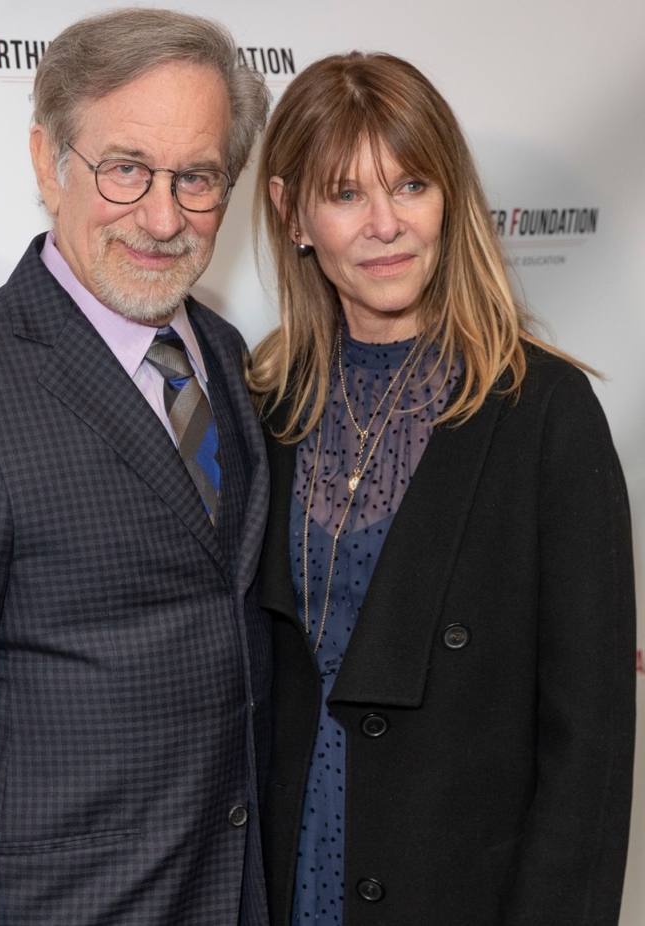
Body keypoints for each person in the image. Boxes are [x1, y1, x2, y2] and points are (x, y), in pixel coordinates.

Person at [0, 9, 272, 926]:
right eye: (125, 169)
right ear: (49, 163)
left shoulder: (234, 361)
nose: (162, 218)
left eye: (196, 178)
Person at [248, 52, 636, 926]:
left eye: (412, 184)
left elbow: (592, 741)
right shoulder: (266, 405)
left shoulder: (543, 411)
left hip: (463, 886)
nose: (385, 225)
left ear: (450, 197)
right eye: (346, 193)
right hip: (291, 872)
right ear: (292, 212)